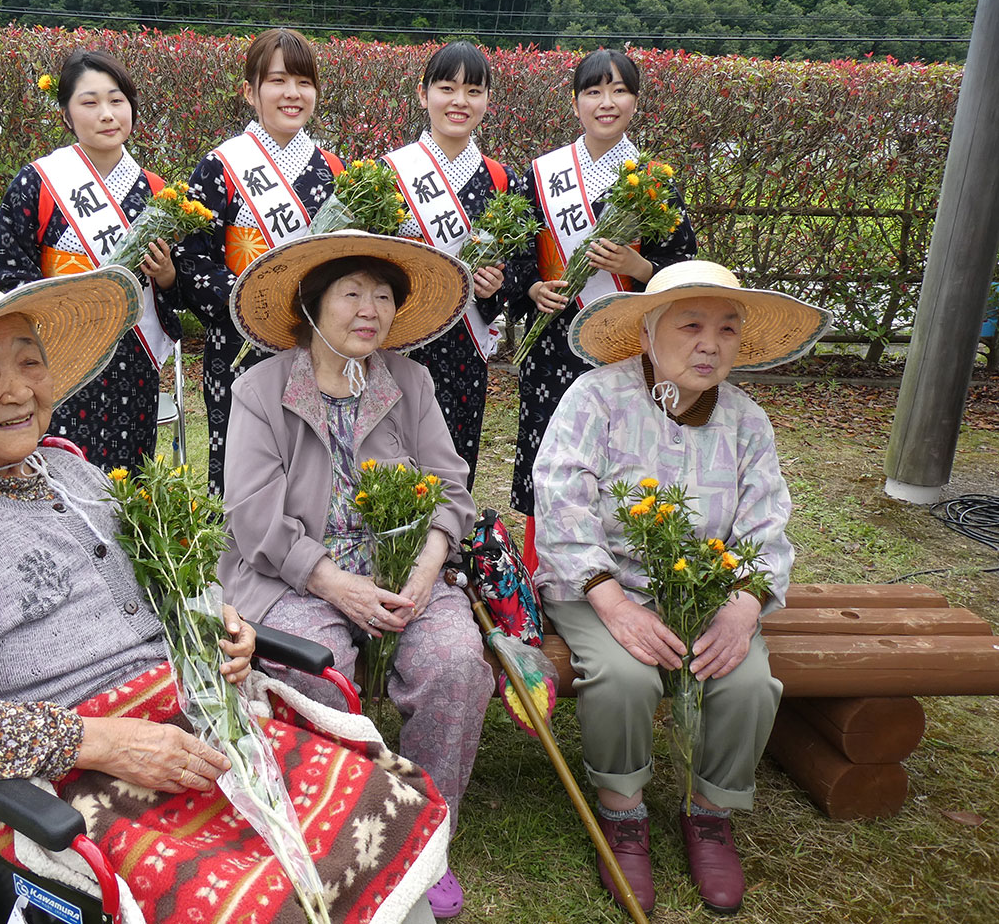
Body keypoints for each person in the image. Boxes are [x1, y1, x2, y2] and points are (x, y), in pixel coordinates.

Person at [0, 271, 449, 924]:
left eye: (30, 363)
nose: (19, 389)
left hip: (187, 721)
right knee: (269, 908)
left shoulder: (69, 470)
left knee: (375, 810)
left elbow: (166, 578)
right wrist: (99, 741)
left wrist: (213, 622)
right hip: (60, 776)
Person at [529, 260, 832, 914]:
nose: (709, 343)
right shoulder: (595, 398)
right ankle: (624, 812)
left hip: (704, 590)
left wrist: (745, 603)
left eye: (726, 329)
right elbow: (559, 501)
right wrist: (611, 601)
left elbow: (766, 524)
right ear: (647, 334)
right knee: (625, 674)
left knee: (749, 679)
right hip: (596, 584)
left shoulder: (748, 421)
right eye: (691, 324)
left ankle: (710, 811)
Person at [219, 230, 494, 920]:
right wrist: (330, 581)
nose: (369, 309)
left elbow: (450, 487)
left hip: (405, 571)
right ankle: (335, 831)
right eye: (351, 293)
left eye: (382, 296)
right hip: (291, 575)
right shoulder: (262, 386)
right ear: (313, 304)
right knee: (320, 663)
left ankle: (428, 835)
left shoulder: (409, 380)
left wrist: (431, 562)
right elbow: (252, 515)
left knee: (457, 660)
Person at [507, 48, 697, 568]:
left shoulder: (655, 182)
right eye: (593, 91)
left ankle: (626, 569)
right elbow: (519, 253)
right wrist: (532, 291)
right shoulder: (544, 173)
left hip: (626, 344)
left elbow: (684, 272)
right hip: (553, 344)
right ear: (575, 103)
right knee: (550, 451)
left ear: (636, 102)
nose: (606, 102)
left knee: (627, 454)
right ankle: (539, 570)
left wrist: (637, 268)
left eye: (619, 91)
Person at [0, 48, 181, 468]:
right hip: (60, 353)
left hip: (133, 357)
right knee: (57, 471)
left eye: (117, 100)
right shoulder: (38, 182)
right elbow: (7, 272)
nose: (107, 114)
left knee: (129, 477)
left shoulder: (156, 191)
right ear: (66, 114)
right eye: (89, 103)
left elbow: (174, 282)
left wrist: (166, 276)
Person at [177, 28, 343, 496]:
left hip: (314, 347)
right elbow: (191, 260)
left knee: (312, 473)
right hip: (237, 349)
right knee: (240, 474)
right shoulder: (220, 167)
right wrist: (256, 306)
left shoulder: (333, 170)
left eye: (304, 82)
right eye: (277, 81)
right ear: (250, 91)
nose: (292, 93)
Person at [381, 41, 518, 489]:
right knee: (388, 460)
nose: (460, 101)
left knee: (454, 464)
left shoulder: (502, 180)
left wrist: (494, 285)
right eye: (447, 87)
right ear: (423, 94)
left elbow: (519, 266)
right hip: (398, 339)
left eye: (474, 90)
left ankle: (450, 552)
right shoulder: (389, 175)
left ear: (487, 100)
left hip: (465, 346)